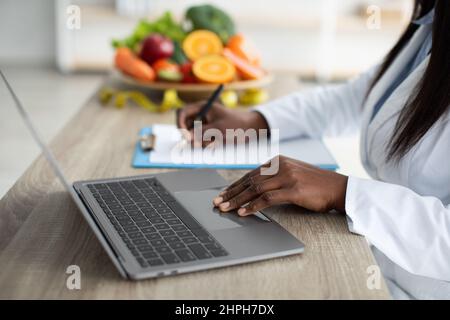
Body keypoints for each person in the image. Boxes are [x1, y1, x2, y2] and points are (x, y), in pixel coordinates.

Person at [177, 0, 450, 299]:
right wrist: (256, 120)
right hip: (377, 262)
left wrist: (344, 192)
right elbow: (358, 96)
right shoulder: (430, 21)